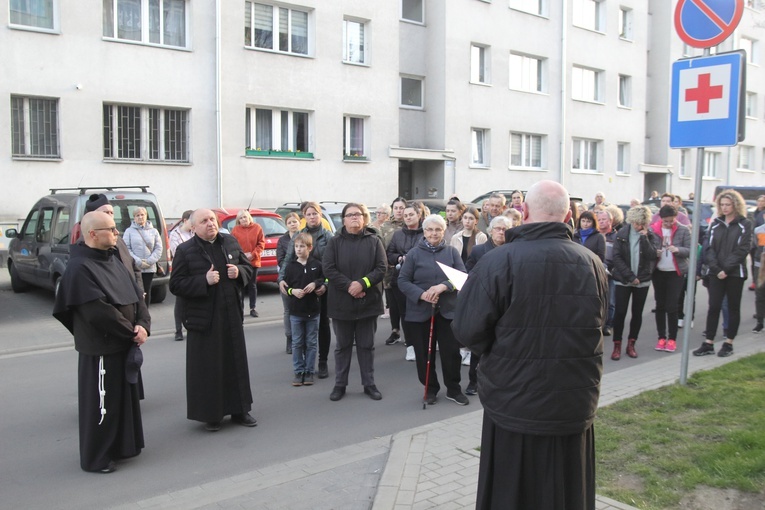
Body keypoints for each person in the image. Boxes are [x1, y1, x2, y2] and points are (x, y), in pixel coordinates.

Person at [453, 180, 608, 510]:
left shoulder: (498, 261)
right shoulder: (592, 263)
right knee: (567, 495)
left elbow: (467, 330)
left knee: (512, 495)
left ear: (523, 212)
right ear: (567, 215)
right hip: (568, 402)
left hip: (516, 401)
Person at [53, 211, 150, 473]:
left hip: (124, 341)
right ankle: (97, 457)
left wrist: (143, 324)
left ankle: (122, 447)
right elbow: (98, 312)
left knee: (123, 400)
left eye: (116, 228)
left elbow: (135, 294)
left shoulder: (114, 258)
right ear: (92, 234)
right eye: (111, 229)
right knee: (102, 404)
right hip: (101, 349)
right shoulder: (79, 268)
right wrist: (132, 331)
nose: (116, 233)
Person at [169, 209, 256, 432]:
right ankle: (212, 415)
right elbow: (176, 285)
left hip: (231, 314)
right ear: (194, 227)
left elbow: (248, 268)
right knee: (210, 367)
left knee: (235, 362)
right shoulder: (185, 250)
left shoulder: (229, 241)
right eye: (204, 221)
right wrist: (203, 281)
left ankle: (240, 410)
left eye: (212, 220)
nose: (210, 224)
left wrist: (240, 272)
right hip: (204, 319)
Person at [399, 214, 468, 406]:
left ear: (443, 231)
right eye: (430, 229)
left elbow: (462, 277)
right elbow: (402, 281)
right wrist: (422, 295)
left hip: (447, 311)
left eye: (438, 229)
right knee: (423, 354)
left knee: (451, 353)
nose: (434, 233)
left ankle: (453, 389)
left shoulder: (452, 252)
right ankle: (430, 388)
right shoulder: (413, 254)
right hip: (420, 311)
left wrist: (443, 286)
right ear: (424, 231)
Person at [322, 203, 387, 402]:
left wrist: (362, 284)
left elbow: (382, 267)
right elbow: (328, 269)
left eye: (358, 215)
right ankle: (340, 385)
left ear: (364, 218)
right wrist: (350, 286)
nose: (354, 218)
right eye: (350, 215)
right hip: (342, 303)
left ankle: (369, 384)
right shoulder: (334, 242)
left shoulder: (374, 240)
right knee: (342, 346)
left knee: (367, 345)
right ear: (343, 220)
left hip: (368, 302)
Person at [694, 189, 752, 357]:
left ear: (736, 205)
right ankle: (709, 343)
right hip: (716, 272)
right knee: (714, 306)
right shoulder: (716, 223)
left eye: (728, 204)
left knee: (733, 307)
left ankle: (728, 343)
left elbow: (743, 249)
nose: (725, 208)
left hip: (735, 273)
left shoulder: (744, 224)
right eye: (722, 205)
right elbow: (709, 248)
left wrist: (726, 269)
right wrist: (717, 269)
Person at [279, 202, 334, 379]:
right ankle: (303, 366)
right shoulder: (299, 237)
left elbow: (333, 265)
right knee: (302, 327)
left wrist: (325, 285)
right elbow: (287, 260)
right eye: (308, 214)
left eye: (314, 213)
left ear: (320, 215)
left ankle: (322, 361)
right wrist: (280, 279)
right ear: (304, 217)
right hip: (301, 287)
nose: (311, 217)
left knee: (323, 325)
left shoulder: (328, 237)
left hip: (321, 287)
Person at [463, 215, 514, 396]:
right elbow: (468, 274)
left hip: (506, 307)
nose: (501, 232)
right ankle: (473, 381)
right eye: (498, 228)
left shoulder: (514, 251)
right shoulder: (478, 251)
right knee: (480, 346)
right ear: (490, 231)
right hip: (483, 305)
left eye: (504, 229)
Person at [611, 206, 660, 360]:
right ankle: (617, 345)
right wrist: (630, 276)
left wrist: (644, 238)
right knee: (620, 313)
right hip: (624, 279)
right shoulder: (622, 234)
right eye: (637, 223)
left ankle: (631, 344)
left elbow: (653, 255)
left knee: (637, 314)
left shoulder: (650, 235)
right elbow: (616, 257)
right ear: (631, 220)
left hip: (642, 280)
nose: (639, 226)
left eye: (642, 223)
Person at [283, 232, 326, 386]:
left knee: (311, 342)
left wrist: (316, 284)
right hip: (296, 311)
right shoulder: (290, 267)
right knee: (297, 342)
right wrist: (292, 291)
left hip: (313, 311)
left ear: (310, 248)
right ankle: (298, 371)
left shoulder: (317, 264)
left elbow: (323, 278)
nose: (298, 249)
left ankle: (309, 371)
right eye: (296, 246)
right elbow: (285, 286)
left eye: (302, 246)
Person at [386, 202, 424, 363]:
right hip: (400, 279)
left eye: (411, 215)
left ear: (419, 215)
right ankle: (410, 346)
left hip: (421, 279)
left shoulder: (425, 233)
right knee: (405, 314)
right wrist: (399, 258)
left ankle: (423, 344)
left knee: (421, 313)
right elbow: (389, 254)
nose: (408, 217)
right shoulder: (397, 234)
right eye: (406, 215)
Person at [650, 205, 691, 353]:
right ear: (661, 219)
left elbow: (690, 250)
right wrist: (655, 252)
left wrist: (678, 249)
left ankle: (672, 339)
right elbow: (648, 249)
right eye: (665, 221)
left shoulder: (683, 229)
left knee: (672, 306)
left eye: (671, 221)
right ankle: (661, 337)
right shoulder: (653, 230)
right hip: (659, 271)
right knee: (660, 305)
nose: (668, 224)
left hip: (675, 272)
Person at [123, 206, 162, 306]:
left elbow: (158, 248)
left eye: (142, 215)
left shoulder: (154, 231)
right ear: (134, 218)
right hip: (135, 267)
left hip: (149, 267)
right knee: (137, 290)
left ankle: (146, 314)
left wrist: (149, 261)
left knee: (147, 290)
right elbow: (126, 248)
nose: (140, 217)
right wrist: (138, 261)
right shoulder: (129, 231)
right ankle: (137, 313)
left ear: (146, 216)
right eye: (137, 215)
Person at [231, 209, 265, 318]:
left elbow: (261, 243)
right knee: (240, 286)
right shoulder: (235, 230)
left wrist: (253, 254)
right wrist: (242, 255)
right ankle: (239, 309)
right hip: (240, 263)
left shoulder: (257, 228)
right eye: (241, 218)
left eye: (245, 217)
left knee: (252, 285)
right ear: (238, 220)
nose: (243, 219)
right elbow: (232, 246)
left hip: (253, 261)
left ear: (249, 217)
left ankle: (253, 308)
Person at [277, 212, 302, 354]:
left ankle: (302, 339)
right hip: (287, 278)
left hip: (303, 278)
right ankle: (290, 338)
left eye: (295, 221)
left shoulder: (304, 237)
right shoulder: (282, 240)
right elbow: (281, 260)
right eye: (290, 222)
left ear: (299, 222)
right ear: (286, 225)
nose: (293, 224)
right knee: (288, 310)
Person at [169, 210, 194, 341]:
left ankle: (192, 326)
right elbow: (178, 252)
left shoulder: (195, 232)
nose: (194, 224)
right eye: (192, 221)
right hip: (181, 271)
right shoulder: (175, 234)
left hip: (195, 271)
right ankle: (178, 330)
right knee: (180, 302)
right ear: (185, 220)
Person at [596, 209, 617, 336]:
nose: (601, 222)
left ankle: (608, 325)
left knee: (611, 301)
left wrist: (611, 269)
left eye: (604, 219)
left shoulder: (616, 237)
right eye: (599, 220)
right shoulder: (595, 235)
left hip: (611, 272)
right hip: (597, 270)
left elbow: (619, 255)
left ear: (610, 221)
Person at [749, 195, 765, 291]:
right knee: (754, 262)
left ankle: (759, 281)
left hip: (761, 242)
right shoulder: (755, 213)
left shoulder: (762, 214)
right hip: (754, 242)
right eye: (759, 201)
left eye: (762, 201)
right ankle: (755, 281)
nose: (760, 203)